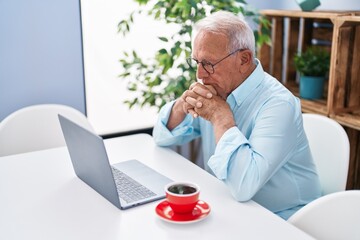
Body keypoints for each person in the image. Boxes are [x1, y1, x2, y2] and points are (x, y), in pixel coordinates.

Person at [152, 11, 321, 220]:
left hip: (286, 219)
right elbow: (161, 137)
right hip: (229, 206)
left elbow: (244, 186)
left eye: (209, 64)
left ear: (243, 59)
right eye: (196, 62)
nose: (200, 74)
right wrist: (181, 104)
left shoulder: (279, 104)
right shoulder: (216, 89)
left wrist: (221, 118)